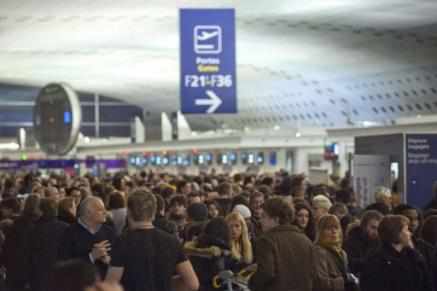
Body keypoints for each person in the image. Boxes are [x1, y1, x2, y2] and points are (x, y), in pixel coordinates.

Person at [106, 190, 199, 291]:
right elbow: (193, 284)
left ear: (129, 212)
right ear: (154, 214)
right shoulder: (171, 241)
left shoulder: (122, 241)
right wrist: (166, 283)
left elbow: (110, 286)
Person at [249, 197, 314, 291]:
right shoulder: (306, 240)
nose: (260, 220)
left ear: (276, 219)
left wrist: (252, 283)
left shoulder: (266, 240)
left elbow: (266, 272)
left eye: (264, 216)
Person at [360, 215, 433, 291]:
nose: (410, 234)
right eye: (406, 230)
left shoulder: (413, 256)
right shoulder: (377, 260)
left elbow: (426, 283)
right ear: (397, 233)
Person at [58, 196, 116, 278]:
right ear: (88, 213)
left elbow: (119, 260)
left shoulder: (109, 231)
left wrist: (109, 260)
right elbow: (64, 265)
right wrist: (92, 256)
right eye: (100, 210)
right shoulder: (69, 233)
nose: (105, 212)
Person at [313, 214, 358, 291]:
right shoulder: (318, 252)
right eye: (329, 228)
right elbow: (319, 283)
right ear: (321, 232)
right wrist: (344, 280)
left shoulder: (342, 253)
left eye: (336, 228)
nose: (334, 231)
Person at [343, 210, 383, 276]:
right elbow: (349, 263)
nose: (376, 232)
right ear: (363, 226)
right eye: (373, 227)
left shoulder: (380, 242)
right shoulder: (351, 241)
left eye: (378, 229)